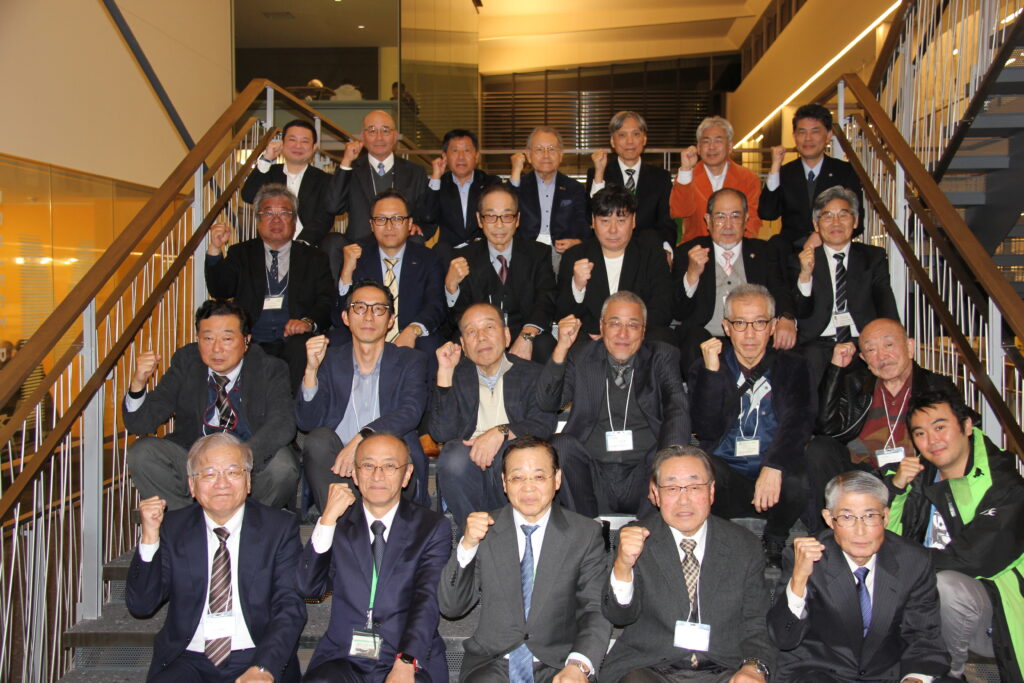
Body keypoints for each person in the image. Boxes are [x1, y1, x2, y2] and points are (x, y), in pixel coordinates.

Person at [125, 433, 307, 682]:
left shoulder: (278, 528)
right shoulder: (173, 528)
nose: (222, 483)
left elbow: (290, 607)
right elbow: (141, 605)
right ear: (192, 485)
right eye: (209, 474)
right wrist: (149, 539)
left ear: (248, 481)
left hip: (255, 654)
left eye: (232, 472)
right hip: (188, 658)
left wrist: (264, 668)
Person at [438, 436, 612, 681]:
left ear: (557, 479)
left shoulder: (584, 534)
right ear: (504, 483)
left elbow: (595, 609)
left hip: (559, 663)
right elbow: (452, 607)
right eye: (517, 478)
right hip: (493, 662)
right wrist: (467, 545)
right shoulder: (485, 530)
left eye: (539, 477)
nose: (528, 488)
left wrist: (578, 664)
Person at [601, 445, 774, 683]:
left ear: (711, 491)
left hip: (724, 667)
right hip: (650, 666)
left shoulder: (744, 545)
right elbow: (619, 616)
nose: (684, 500)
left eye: (694, 487)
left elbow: (757, 624)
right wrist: (622, 566)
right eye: (672, 488)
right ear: (655, 494)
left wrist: (754, 667)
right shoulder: (635, 538)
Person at [886, 390, 1024, 681]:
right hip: (922, 605)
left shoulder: (1005, 487)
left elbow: (971, 560)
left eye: (940, 427)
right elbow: (884, 536)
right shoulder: (919, 476)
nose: (932, 440)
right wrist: (896, 490)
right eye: (920, 433)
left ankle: (947, 672)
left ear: (966, 426)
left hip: (992, 620)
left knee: (946, 585)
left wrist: (905, 565)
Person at [297, 433, 452, 683]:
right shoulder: (339, 523)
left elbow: (427, 600)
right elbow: (309, 588)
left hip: (407, 654)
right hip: (344, 657)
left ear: (407, 474)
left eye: (389, 466)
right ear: (355, 474)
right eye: (368, 465)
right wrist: (326, 520)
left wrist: (406, 660)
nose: (377, 476)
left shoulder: (431, 527)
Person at [768, 471, 948, 682]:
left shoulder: (914, 560)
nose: (860, 531)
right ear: (829, 519)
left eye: (870, 516)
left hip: (887, 674)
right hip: (819, 672)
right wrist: (799, 579)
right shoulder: (807, 557)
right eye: (847, 517)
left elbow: (924, 636)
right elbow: (783, 639)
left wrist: (914, 679)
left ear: (886, 516)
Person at [124, 300, 298, 510]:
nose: (216, 349)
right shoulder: (186, 361)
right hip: (195, 458)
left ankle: (248, 523)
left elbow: (282, 423)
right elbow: (139, 424)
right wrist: (138, 383)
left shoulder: (269, 368)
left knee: (283, 465)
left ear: (246, 341)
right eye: (207, 338)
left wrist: (239, 456)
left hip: (246, 459)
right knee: (142, 453)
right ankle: (188, 522)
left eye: (227, 339)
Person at [689, 284, 814, 566]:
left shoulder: (794, 366)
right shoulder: (707, 366)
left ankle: (775, 538)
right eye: (740, 323)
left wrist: (774, 466)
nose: (749, 334)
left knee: (798, 474)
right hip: (728, 475)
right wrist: (711, 374)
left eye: (759, 323)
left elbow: (798, 422)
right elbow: (705, 429)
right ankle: (721, 541)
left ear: (772, 327)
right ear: (726, 327)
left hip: (773, 474)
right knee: (700, 467)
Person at [536, 292, 690, 518]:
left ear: (643, 330)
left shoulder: (661, 357)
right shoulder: (581, 356)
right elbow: (548, 402)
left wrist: (669, 464)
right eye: (615, 324)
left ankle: (645, 530)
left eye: (632, 325)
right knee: (561, 445)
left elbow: (677, 408)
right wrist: (561, 348)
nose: (623, 334)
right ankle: (588, 530)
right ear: (602, 326)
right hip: (592, 475)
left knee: (669, 454)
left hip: (644, 475)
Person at [805, 318, 960, 527]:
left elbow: (963, 431)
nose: (882, 356)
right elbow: (825, 427)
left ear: (910, 347)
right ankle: (826, 534)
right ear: (863, 359)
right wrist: (836, 369)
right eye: (871, 350)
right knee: (819, 448)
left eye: (889, 345)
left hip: (912, 473)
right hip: (862, 471)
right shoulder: (855, 383)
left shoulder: (936, 386)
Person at [296, 279, 430, 510]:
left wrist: (362, 439)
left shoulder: (410, 361)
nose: (368, 316)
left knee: (388, 457)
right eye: (359, 308)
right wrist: (310, 370)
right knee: (318, 440)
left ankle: (358, 523)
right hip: (340, 469)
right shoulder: (329, 360)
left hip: (389, 468)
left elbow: (411, 412)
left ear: (391, 320)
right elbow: (307, 422)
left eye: (378, 309)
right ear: (346, 317)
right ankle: (343, 522)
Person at [429, 303, 556, 529]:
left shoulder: (532, 373)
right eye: (471, 331)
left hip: (515, 457)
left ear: (506, 336)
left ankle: (508, 533)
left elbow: (544, 423)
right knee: (453, 458)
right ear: (463, 345)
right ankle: (474, 533)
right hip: (469, 461)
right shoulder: (456, 375)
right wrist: (445, 373)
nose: (481, 337)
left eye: (489, 327)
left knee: (507, 457)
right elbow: (442, 433)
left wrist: (500, 432)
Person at [206, 184, 335, 393]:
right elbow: (220, 291)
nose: (276, 220)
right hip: (252, 337)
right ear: (258, 221)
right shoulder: (241, 253)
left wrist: (307, 322)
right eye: (268, 213)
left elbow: (326, 300)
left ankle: (293, 410)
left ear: (294, 221)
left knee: (301, 347)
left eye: (284, 213)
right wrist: (214, 249)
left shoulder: (314, 258)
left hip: (294, 340)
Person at [672, 188, 796, 372]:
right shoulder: (688, 252)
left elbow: (780, 291)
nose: (728, 225)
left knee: (788, 352)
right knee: (692, 341)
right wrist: (692, 275)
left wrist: (786, 318)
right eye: (720, 217)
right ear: (708, 220)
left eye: (735, 216)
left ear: (746, 220)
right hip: (704, 337)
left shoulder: (765, 252)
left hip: (753, 336)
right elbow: (678, 311)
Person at [793, 185, 899, 386]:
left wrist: (895, 339)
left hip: (862, 343)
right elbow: (801, 311)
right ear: (816, 224)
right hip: (818, 344)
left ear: (856, 221)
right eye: (827, 216)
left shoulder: (872, 257)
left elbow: (885, 299)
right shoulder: (801, 260)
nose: (836, 223)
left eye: (843, 215)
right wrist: (805, 275)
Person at [446, 183, 559, 363]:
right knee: (454, 351)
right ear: (479, 219)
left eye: (507, 216)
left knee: (545, 347)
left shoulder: (538, 253)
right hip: (479, 335)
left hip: (524, 331)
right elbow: (457, 315)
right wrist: (451, 288)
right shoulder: (463, 257)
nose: (499, 225)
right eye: (491, 216)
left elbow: (546, 300)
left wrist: (527, 336)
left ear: (517, 219)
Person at [336, 188, 446, 356]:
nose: (389, 226)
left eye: (397, 219)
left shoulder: (428, 259)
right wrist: (346, 273)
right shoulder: (357, 257)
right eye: (381, 219)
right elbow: (338, 315)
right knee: (336, 341)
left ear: (409, 223)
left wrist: (413, 330)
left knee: (431, 346)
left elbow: (436, 305)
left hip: (412, 334)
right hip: (366, 332)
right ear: (371, 225)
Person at [556, 186, 673, 343]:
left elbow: (663, 308)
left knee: (663, 340)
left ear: (633, 220)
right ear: (593, 221)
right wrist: (577, 287)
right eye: (605, 221)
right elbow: (563, 314)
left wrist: (623, 334)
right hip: (592, 339)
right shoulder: (575, 256)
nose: (613, 230)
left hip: (638, 339)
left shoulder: (651, 254)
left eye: (621, 221)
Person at [758, 104, 864, 253]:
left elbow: (857, 221)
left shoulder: (845, 172)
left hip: (831, 251)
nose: (808, 138)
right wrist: (775, 167)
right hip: (790, 254)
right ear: (794, 136)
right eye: (802, 132)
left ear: (828, 135)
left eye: (815, 131)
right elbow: (767, 213)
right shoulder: (785, 172)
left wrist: (822, 236)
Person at [326, 109, 430, 245]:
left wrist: (418, 226)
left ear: (395, 136)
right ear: (363, 136)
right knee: (332, 243)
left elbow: (428, 215)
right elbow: (333, 207)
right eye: (372, 131)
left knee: (416, 241)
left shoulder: (415, 172)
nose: (379, 137)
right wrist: (346, 161)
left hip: (401, 245)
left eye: (385, 131)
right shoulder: (351, 170)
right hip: (359, 245)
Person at [586, 111, 677, 252]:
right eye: (622, 135)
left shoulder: (661, 177)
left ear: (644, 139)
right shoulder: (598, 173)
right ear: (612, 141)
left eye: (636, 134)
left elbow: (666, 223)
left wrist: (666, 251)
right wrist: (599, 173)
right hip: (609, 249)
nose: (630, 141)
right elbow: (592, 217)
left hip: (649, 251)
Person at [240, 119, 338, 247]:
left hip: (309, 247)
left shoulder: (325, 180)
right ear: (282, 143)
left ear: (314, 147)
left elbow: (323, 219)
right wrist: (267, 158)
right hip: (271, 246)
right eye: (292, 140)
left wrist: (301, 244)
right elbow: (248, 195)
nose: (298, 146)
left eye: (304, 141)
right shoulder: (269, 173)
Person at [671, 116, 763, 244]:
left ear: (730, 146)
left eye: (718, 140)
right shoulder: (687, 177)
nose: (711, 147)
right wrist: (686, 169)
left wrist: (738, 250)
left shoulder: (748, 178)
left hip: (737, 247)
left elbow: (752, 221)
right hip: (696, 248)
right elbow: (680, 211)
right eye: (706, 141)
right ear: (698, 148)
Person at [509, 126, 590, 257]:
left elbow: (583, 224)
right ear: (528, 155)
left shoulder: (574, 188)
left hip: (561, 252)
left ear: (561, 155)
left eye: (551, 149)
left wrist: (577, 242)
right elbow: (506, 212)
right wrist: (515, 172)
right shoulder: (519, 185)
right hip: (526, 251)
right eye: (539, 149)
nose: (546, 155)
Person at [424, 128, 502, 253]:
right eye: (455, 151)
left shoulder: (491, 183)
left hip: (482, 251)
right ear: (445, 156)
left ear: (477, 156)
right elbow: (428, 217)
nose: (461, 157)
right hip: (449, 252)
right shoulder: (438, 184)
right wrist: (436, 177)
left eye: (467, 150)